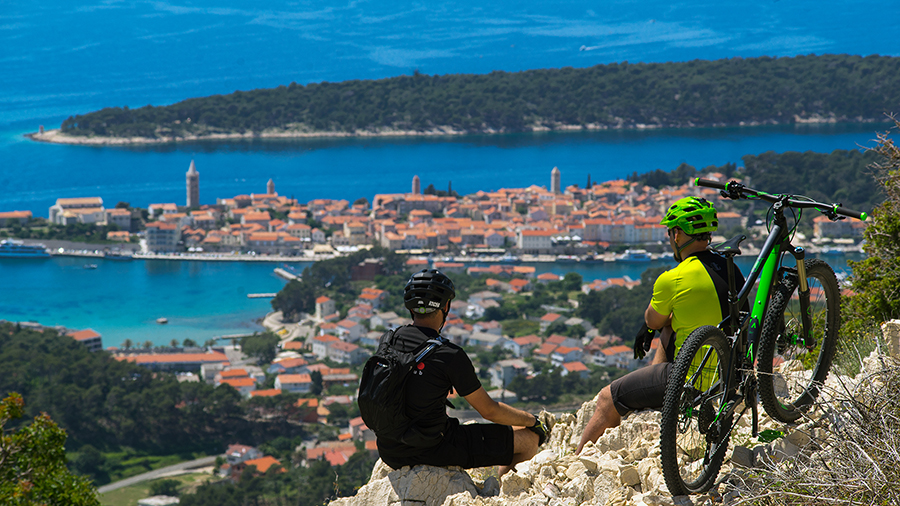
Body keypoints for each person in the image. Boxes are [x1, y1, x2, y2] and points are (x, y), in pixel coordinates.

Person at [576, 196, 745, 454]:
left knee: (606, 399)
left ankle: (577, 459)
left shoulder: (673, 278)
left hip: (693, 379)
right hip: (730, 375)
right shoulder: (732, 269)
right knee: (672, 324)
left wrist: (653, 326)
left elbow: (651, 320)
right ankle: (658, 400)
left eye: (670, 233)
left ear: (677, 234)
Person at [375, 269, 549, 476]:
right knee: (528, 440)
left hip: (389, 450)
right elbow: (489, 411)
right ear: (446, 306)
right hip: (432, 448)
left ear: (410, 307)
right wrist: (533, 421)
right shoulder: (449, 354)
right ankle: (502, 493)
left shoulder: (388, 341)